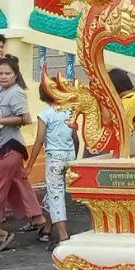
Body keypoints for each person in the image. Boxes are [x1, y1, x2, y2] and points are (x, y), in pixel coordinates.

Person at [0, 57, 40, 241]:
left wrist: (0, 121)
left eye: (7, 73)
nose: (3, 76)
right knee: (20, 184)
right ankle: (38, 218)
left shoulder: (16, 93)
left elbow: (25, 118)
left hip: (9, 146)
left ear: (15, 76)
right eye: (0, 73)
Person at [32, 78, 80, 244]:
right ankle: (47, 228)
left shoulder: (45, 114)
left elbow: (39, 140)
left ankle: (62, 234)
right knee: (53, 192)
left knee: (55, 194)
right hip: (69, 155)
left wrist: (30, 165)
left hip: (54, 157)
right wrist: (75, 157)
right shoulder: (69, 112)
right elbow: (75, 137)